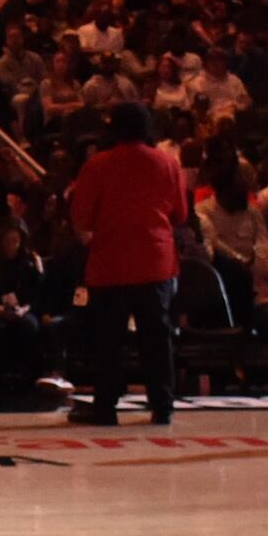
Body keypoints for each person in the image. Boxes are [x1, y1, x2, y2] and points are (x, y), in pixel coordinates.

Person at [66, 103, 187, 426]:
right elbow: (181, 214)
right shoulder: (168, 163)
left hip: (110, 263)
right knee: (156, 338)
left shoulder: (98, 165)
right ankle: (163, 406)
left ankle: (105, 407)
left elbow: (81, 216)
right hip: (155, 261)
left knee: (109, 340)